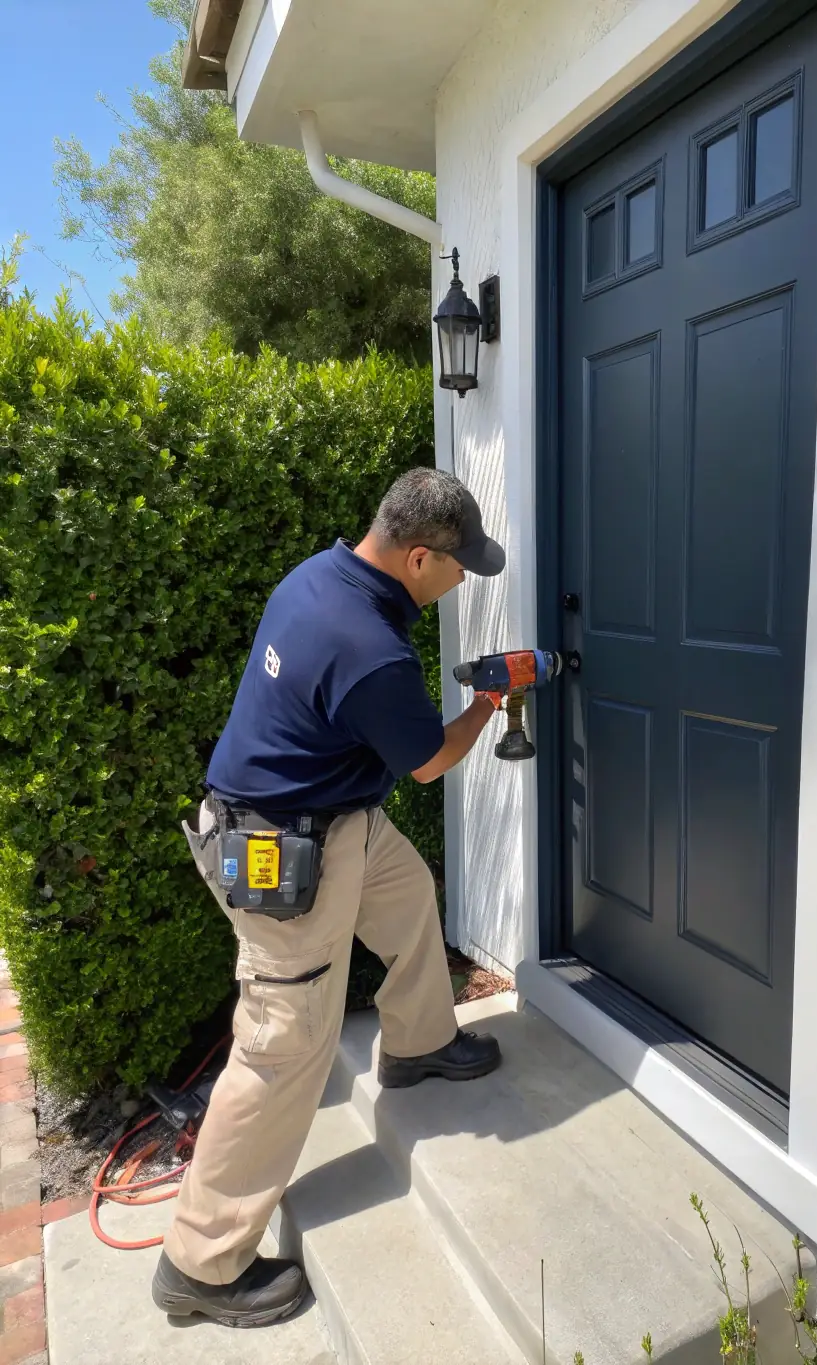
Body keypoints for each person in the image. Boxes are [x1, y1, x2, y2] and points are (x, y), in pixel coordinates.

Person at [151, 467, 507, 1328]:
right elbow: (428, 759)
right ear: (419, 557)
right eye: (461, 567)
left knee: (410, 895)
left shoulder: (319, 575)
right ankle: (199, 1261)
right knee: (284, 1046)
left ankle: (416, 1043)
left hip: (333, 818)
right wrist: (490, 704)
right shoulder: (371, 646)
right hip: (285, 855)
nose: (465, 579)